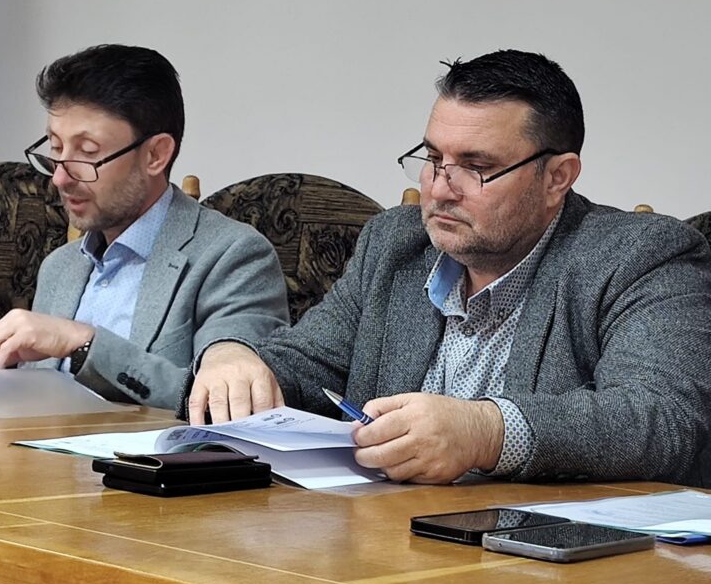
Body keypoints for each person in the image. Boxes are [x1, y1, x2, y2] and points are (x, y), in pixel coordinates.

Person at [188, 49, 711, 486]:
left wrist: (484, 432)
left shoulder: (641, 256)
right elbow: (309, 364)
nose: (440, 187)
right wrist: (233, 355)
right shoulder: (396, 243)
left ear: (558, 177)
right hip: (389, 548)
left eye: (476, 167)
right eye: (433, 158)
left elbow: (662, 420)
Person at [0, 44, 289, 412]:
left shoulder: (233, 255)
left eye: (86, 152)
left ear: (155, 155)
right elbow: (30, 393)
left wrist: (82, 343)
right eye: (56, 149)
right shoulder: (61, 266)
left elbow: (227, 405)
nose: (60, 177)